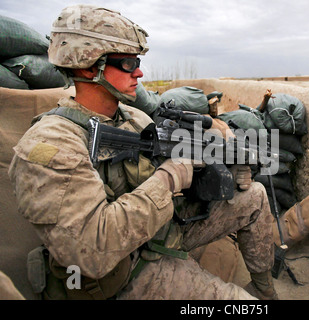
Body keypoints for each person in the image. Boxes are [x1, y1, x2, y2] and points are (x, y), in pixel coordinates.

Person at [8, 4, 277, 300]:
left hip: (155, 233)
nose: (139, 71)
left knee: (253, 196)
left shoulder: (134, 119)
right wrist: (172, 176)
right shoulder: (48, 145)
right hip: (120, 272)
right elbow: (91, 252)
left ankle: (265, 290)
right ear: (87, 66)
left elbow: (170, 165)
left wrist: (221, 162)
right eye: (126, 63)